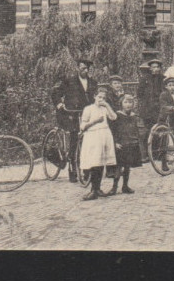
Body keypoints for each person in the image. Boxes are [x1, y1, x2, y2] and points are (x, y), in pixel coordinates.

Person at [52, 55, 97, 183]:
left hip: (86, 114)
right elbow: (56, 92)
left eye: (87, 69)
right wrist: (59, 104)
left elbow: (95, 97)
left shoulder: (93, 82)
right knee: (74, 140)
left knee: (88, 142)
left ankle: (87, 170)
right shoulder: (69, 81)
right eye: (83, 68)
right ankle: (72, 170)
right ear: (78, 68)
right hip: (71, 114)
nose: (85, 71)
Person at [80, 87, 117, 201]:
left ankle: (98, 189)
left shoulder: (105, 108)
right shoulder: (88, 109)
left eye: (104, 98)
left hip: (105, 136)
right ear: (94, 96)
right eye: (99, 97)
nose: (101, 99)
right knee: (94, 162)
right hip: (93, 137)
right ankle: (93, 190)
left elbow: (114, 117)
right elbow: (82, 126)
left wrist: (107, 105)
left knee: (101, 163)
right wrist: (95, 121)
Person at [107, 94, 142, 195]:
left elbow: (135, 130)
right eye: (125, 102)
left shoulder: (134, 116)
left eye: (130, 102)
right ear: (121, 104)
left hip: (131, 144)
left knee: (127, 167)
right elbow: (112, 130)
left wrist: (136, 141)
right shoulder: (117, 115)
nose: (128, 105)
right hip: (121, 144)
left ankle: (125, 186)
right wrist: (115, 142)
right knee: (118, 167)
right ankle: (114, 187)